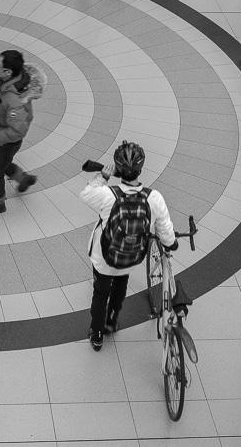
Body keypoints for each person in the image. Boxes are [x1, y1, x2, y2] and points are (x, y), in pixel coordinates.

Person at [80, 141, 176, 351]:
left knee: (100, 293)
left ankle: (97, 335)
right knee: (120, 285)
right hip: (131, 257)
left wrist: (103, 176)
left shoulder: (108, 195)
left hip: (104, 257)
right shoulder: (154, 198)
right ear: (140, 169)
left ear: (117, 168)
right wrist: (172, 243)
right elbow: (165, 229)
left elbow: (86, 193)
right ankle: (112, 321)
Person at [0, 50, 46, 217]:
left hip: (6, 140)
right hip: (0, 134)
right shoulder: (9, 80)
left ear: (8, 72)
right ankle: (23, 178)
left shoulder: (15, 101)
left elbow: (18, 129)